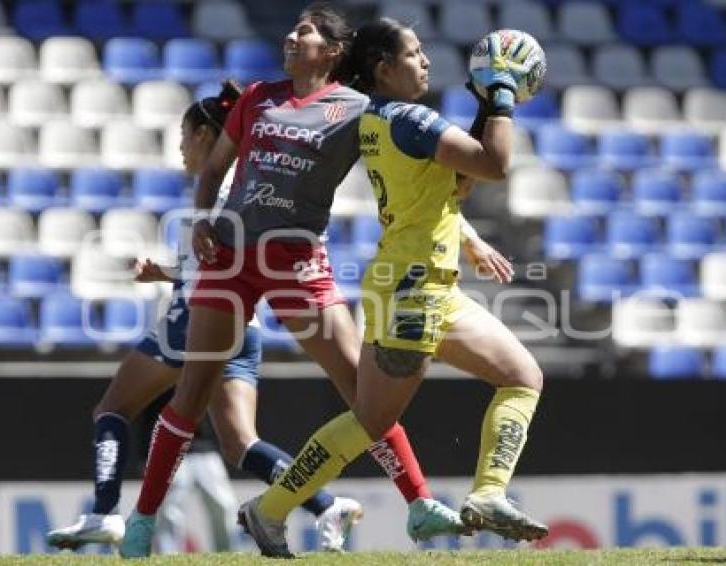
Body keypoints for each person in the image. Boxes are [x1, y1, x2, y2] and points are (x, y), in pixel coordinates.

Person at [119, 3, 502, 557]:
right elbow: (212, 170)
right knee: (190, 395)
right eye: (293, 29)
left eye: (306, 31)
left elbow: (417, 184)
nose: (293, 38)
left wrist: (469, 238)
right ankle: (142, 525)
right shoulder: (256, 97)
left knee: (362, 390)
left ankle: (418, 506)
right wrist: (203, 217)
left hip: (297, 260)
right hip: (231, 259)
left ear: (335, 50)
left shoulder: (361, 111)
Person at [237, 21, 548, 557]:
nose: (426, 61)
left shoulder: (378, 117)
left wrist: (479, 115)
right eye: (415, 53)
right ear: (384, 68)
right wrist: (500, 94)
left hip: (417, 284)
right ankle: (268, 510)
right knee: (371, 420)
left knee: (522, 376)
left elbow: (460, 179)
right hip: (414, 287)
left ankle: (490, 494)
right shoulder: (412, 118)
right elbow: (494, 164)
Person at [46, 80, 360, 554]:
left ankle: (104, 513)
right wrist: (167, 272)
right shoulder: (254, 178)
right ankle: (323, 504)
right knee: (240, 444)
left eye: (183, 138)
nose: (180, 150)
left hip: (196, 320)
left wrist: (178, 280)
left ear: (203, 135)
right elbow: (224, 262)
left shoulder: (217, 188)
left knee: (112, 409)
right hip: (242, 327)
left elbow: (219, 267)